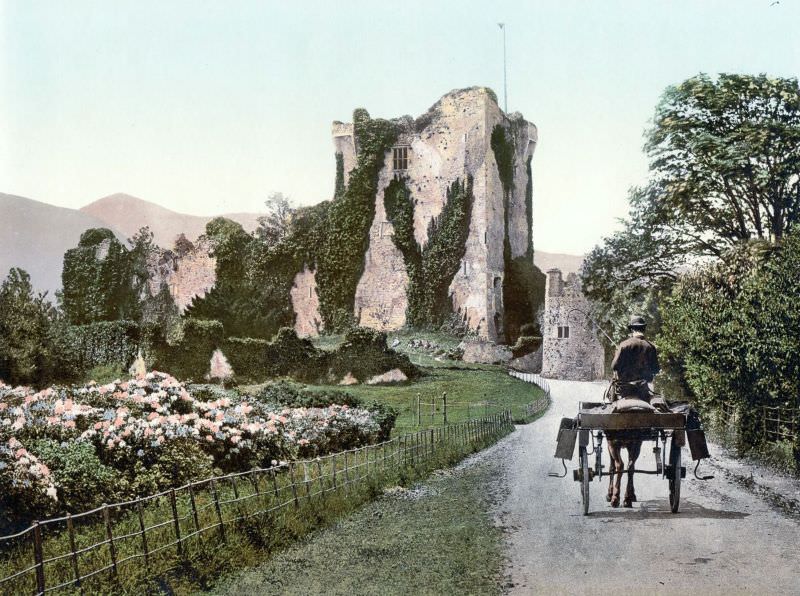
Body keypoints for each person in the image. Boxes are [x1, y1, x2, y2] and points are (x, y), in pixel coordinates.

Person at [611, 315, 659, 401]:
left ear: (632, 329)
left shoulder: (624, 345)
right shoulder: (651, 347)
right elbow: (656, 370)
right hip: (643, 390)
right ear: (643, 329)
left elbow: (614, 366)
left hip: (625, 390)